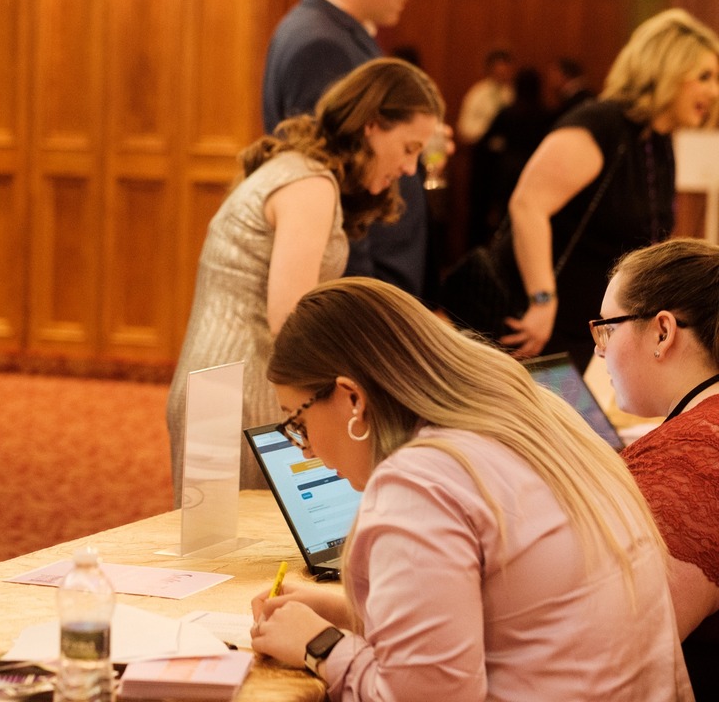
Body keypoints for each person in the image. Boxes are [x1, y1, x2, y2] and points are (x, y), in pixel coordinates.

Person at [249, 276, 692, 700]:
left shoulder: (418, 482)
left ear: (352, 398)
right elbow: (520, 621)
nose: (304, 449)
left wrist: (319, 644)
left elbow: (426, 699)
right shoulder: (535, 413)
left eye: (298, 422)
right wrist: (352, 615)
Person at [168, 58, 442, 505]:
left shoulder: (303, 171)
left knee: (232, 548)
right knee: (231, 551)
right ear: (373, 126)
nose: (411, 168)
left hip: (223, 383)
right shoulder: (311, 184)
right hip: (241, 391)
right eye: (410, 147)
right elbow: (290, 319)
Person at [505, 8, 719, 369]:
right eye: (704, 76)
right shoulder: (603, 124)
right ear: (665, 70)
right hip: (544, 332)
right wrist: (541, 300)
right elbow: (528, 204)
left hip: (591, 334)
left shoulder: (656, 141)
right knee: (562, 424)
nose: (714, 91)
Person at [260, 0, 429, 298]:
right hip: (366, 285)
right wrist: (363, 301)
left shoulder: (332, 32)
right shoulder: (322, 44)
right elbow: (337, 181)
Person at [595, 238, 719, 696]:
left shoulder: (688, 458)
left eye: (607, 328)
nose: (600, 351)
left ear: (663, 332)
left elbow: (611, 655)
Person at [466, 66, 551, 247]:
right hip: (535, 168)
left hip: (508, 169)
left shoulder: (508, 112)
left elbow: (485, 140)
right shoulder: (547, 114)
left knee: (507, 214)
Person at [455, 48, 515, 146]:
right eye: (498, 70)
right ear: (490, 69)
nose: (502, 73)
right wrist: (487, 132)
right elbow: (464, 127)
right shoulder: (477, 94)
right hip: (482, 149)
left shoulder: (514, 94)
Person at [547, 55, 593, 123]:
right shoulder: (571, 96)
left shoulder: (578, 100)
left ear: (565, 74)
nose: (549, 78)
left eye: (553, 73)